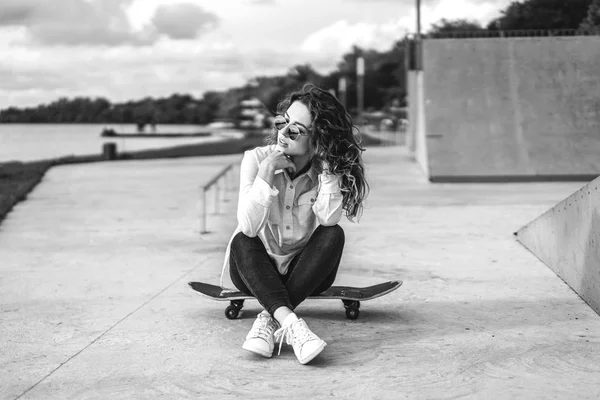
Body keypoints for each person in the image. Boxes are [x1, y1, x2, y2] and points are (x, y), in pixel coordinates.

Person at [219, 83, 369, 364]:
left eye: (296, 129)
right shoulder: (255, 159)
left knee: (333, 234)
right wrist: (266, 173)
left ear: (319, 138)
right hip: (254, 272)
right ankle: (292, 325)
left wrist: (328, 170)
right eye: (282, 122)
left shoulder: (323, 168)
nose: (283, 133)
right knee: (242, 238)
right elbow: (249, 227)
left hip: (307, 273)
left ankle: (270, 318)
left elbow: (327, 219)